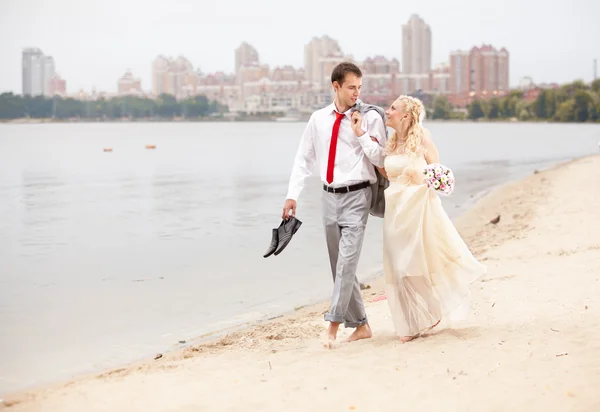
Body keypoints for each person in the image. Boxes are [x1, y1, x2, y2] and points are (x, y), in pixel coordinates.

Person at [359, 95, 485, 342]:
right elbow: (385, 170)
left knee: (413, 262)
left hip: (416, 208)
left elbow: (437, 172)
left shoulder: (423, 138)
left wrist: (420, 175)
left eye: (393, 108)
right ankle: (409, 324)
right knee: (397, 266)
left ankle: (430, 310)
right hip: (395, 209)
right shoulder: (392, 142)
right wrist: (363, 137)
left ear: (405, 115)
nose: (388, 111)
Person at [282, 62, 387, 346]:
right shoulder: (318, 119)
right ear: (336, 86)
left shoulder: (370, 118)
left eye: (360, 88)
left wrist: (361, 134)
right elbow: (304, 159)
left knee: (347, 263)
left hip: (358, 195)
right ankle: (362, 325)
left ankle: (333, 325)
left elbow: (381, 160)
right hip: (328, 196)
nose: (357, 93)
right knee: (338, 264)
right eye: (351, 87)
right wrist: (293, 195)